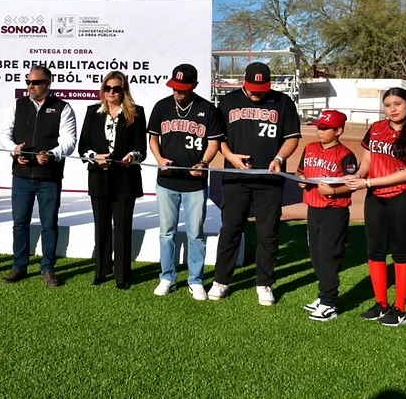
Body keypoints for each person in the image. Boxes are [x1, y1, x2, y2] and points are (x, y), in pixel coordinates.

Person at [210, 62, 301, 306]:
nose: (256, 93)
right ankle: (221, 280)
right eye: (252, 88)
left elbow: (292, 138)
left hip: (269, 180)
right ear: (244, 83)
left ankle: (264, 283)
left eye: (261, 89)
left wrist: (279, 158)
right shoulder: (228, 101)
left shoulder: (282, 102)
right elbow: (218, 138)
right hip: (236, 178)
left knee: (268, 233)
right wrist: (230, 157)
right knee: (230, 229)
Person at [344, 87, 406, 327]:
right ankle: (381, 303)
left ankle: (400, 309)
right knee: (375, 251)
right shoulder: (376, 128)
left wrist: (367, 182)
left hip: (405, 197)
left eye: (398, 104)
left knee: (402, 252)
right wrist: (356, 176)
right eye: (388, 105)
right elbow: (367, 160)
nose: (392, 109)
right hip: (376, 197)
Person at [147, 64, 224, 300]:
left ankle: (196, 280)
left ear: (194, 86)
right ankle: (167, 277)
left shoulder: (207, 109)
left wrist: (203, 163)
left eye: (183, 88)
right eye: (175, 88)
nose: (178, 92)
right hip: (167, 180)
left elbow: (213, 143)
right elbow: (153, 138)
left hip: (194, 183)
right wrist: (159, 159)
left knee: (195, 233)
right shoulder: (162, 106)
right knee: (166, 232)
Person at [0, 65, 77, 287]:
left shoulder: (63, 108)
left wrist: (52, 154)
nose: (30, 86)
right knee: (19, 222)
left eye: (35, 82)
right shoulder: (18, 105)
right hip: (21, 175)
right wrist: (14, 150)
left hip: (49, 176)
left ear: (48, 84)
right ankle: (19, 267)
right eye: (28, 82)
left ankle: (48, 269)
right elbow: (3, 134)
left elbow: (69, 140)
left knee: (49, 223)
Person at [79, 71, 147, 290]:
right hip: (99, 177)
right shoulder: (92, 112)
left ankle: (122, 275)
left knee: (123, 228)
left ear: (123, 90)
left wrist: (132, 157)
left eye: (116, 88)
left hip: (125, 180)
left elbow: (141, 149)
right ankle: (101, 270)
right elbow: (83, 147)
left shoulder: (136, 113)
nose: (111, 92)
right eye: (107, 88)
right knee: (101, 226)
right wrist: (95, 157)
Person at [294, 109, 358, 322]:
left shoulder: (346, 154)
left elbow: (351, 185)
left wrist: (333, 191)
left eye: (325, 128)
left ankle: (330, 303)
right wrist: (301, 179)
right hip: (313, 209)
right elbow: (300, 171)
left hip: (334, 211)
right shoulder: (310, 148)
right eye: (319, 128)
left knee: (329, 257)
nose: (320, 132)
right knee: (316, 255)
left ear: (338, 130)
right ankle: (323, 297)